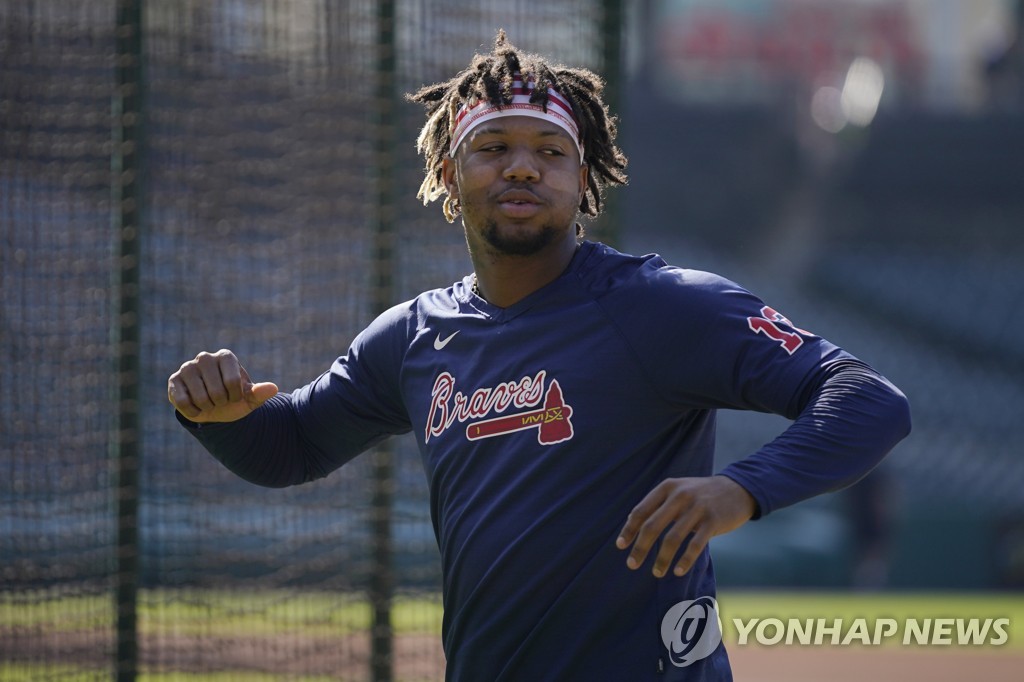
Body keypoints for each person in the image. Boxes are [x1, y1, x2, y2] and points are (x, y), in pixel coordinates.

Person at [168, 31, 911, 681]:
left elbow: (867, 397)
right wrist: (221, 417)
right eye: (492, 149)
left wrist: (741, 490)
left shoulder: (661, 306)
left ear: (583, 180)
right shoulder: (412, 337)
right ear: (449, 178)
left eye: (551, 152)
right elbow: (290, 448)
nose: (522, 168)